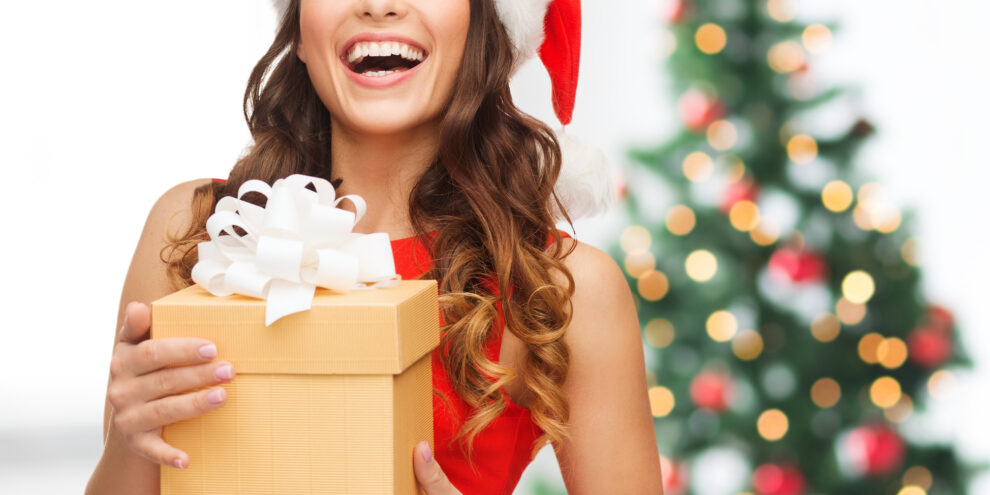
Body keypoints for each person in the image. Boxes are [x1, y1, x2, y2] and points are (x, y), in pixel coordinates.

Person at [86, 0, 662, 493]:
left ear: (483, 23)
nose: (379, 3)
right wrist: (131, 438)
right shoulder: (194, 232)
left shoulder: (564, 286)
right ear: (300, 30)